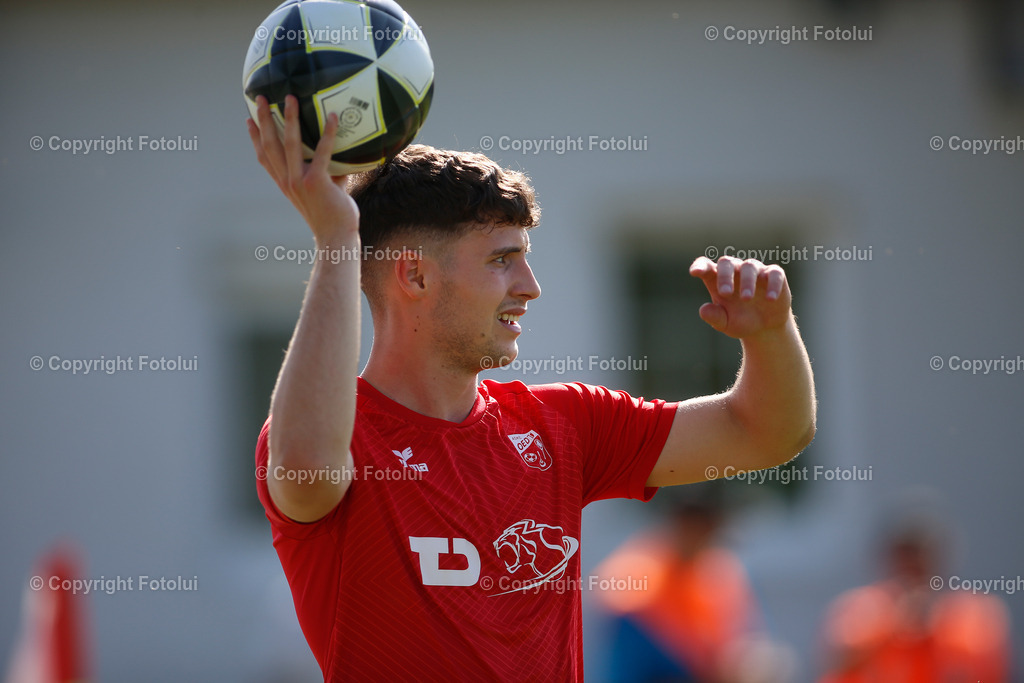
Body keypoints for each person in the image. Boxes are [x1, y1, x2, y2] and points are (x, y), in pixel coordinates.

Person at [245, 95, 816, 681]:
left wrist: (771, 335)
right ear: (414, 274)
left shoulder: (565, 423)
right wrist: (338, 237)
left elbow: (765, 435)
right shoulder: (338, 440)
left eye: (526, 258)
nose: (531, 286)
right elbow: (306, 465)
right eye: (502, 260)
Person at [818, 505, 1010, 683]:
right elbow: (836, 659)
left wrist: (934, 628)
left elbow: (985, 671)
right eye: (904, 554)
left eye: (920, 555)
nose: (911, 565)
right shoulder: (859, 608)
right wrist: (890, 624)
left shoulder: (971, 614)